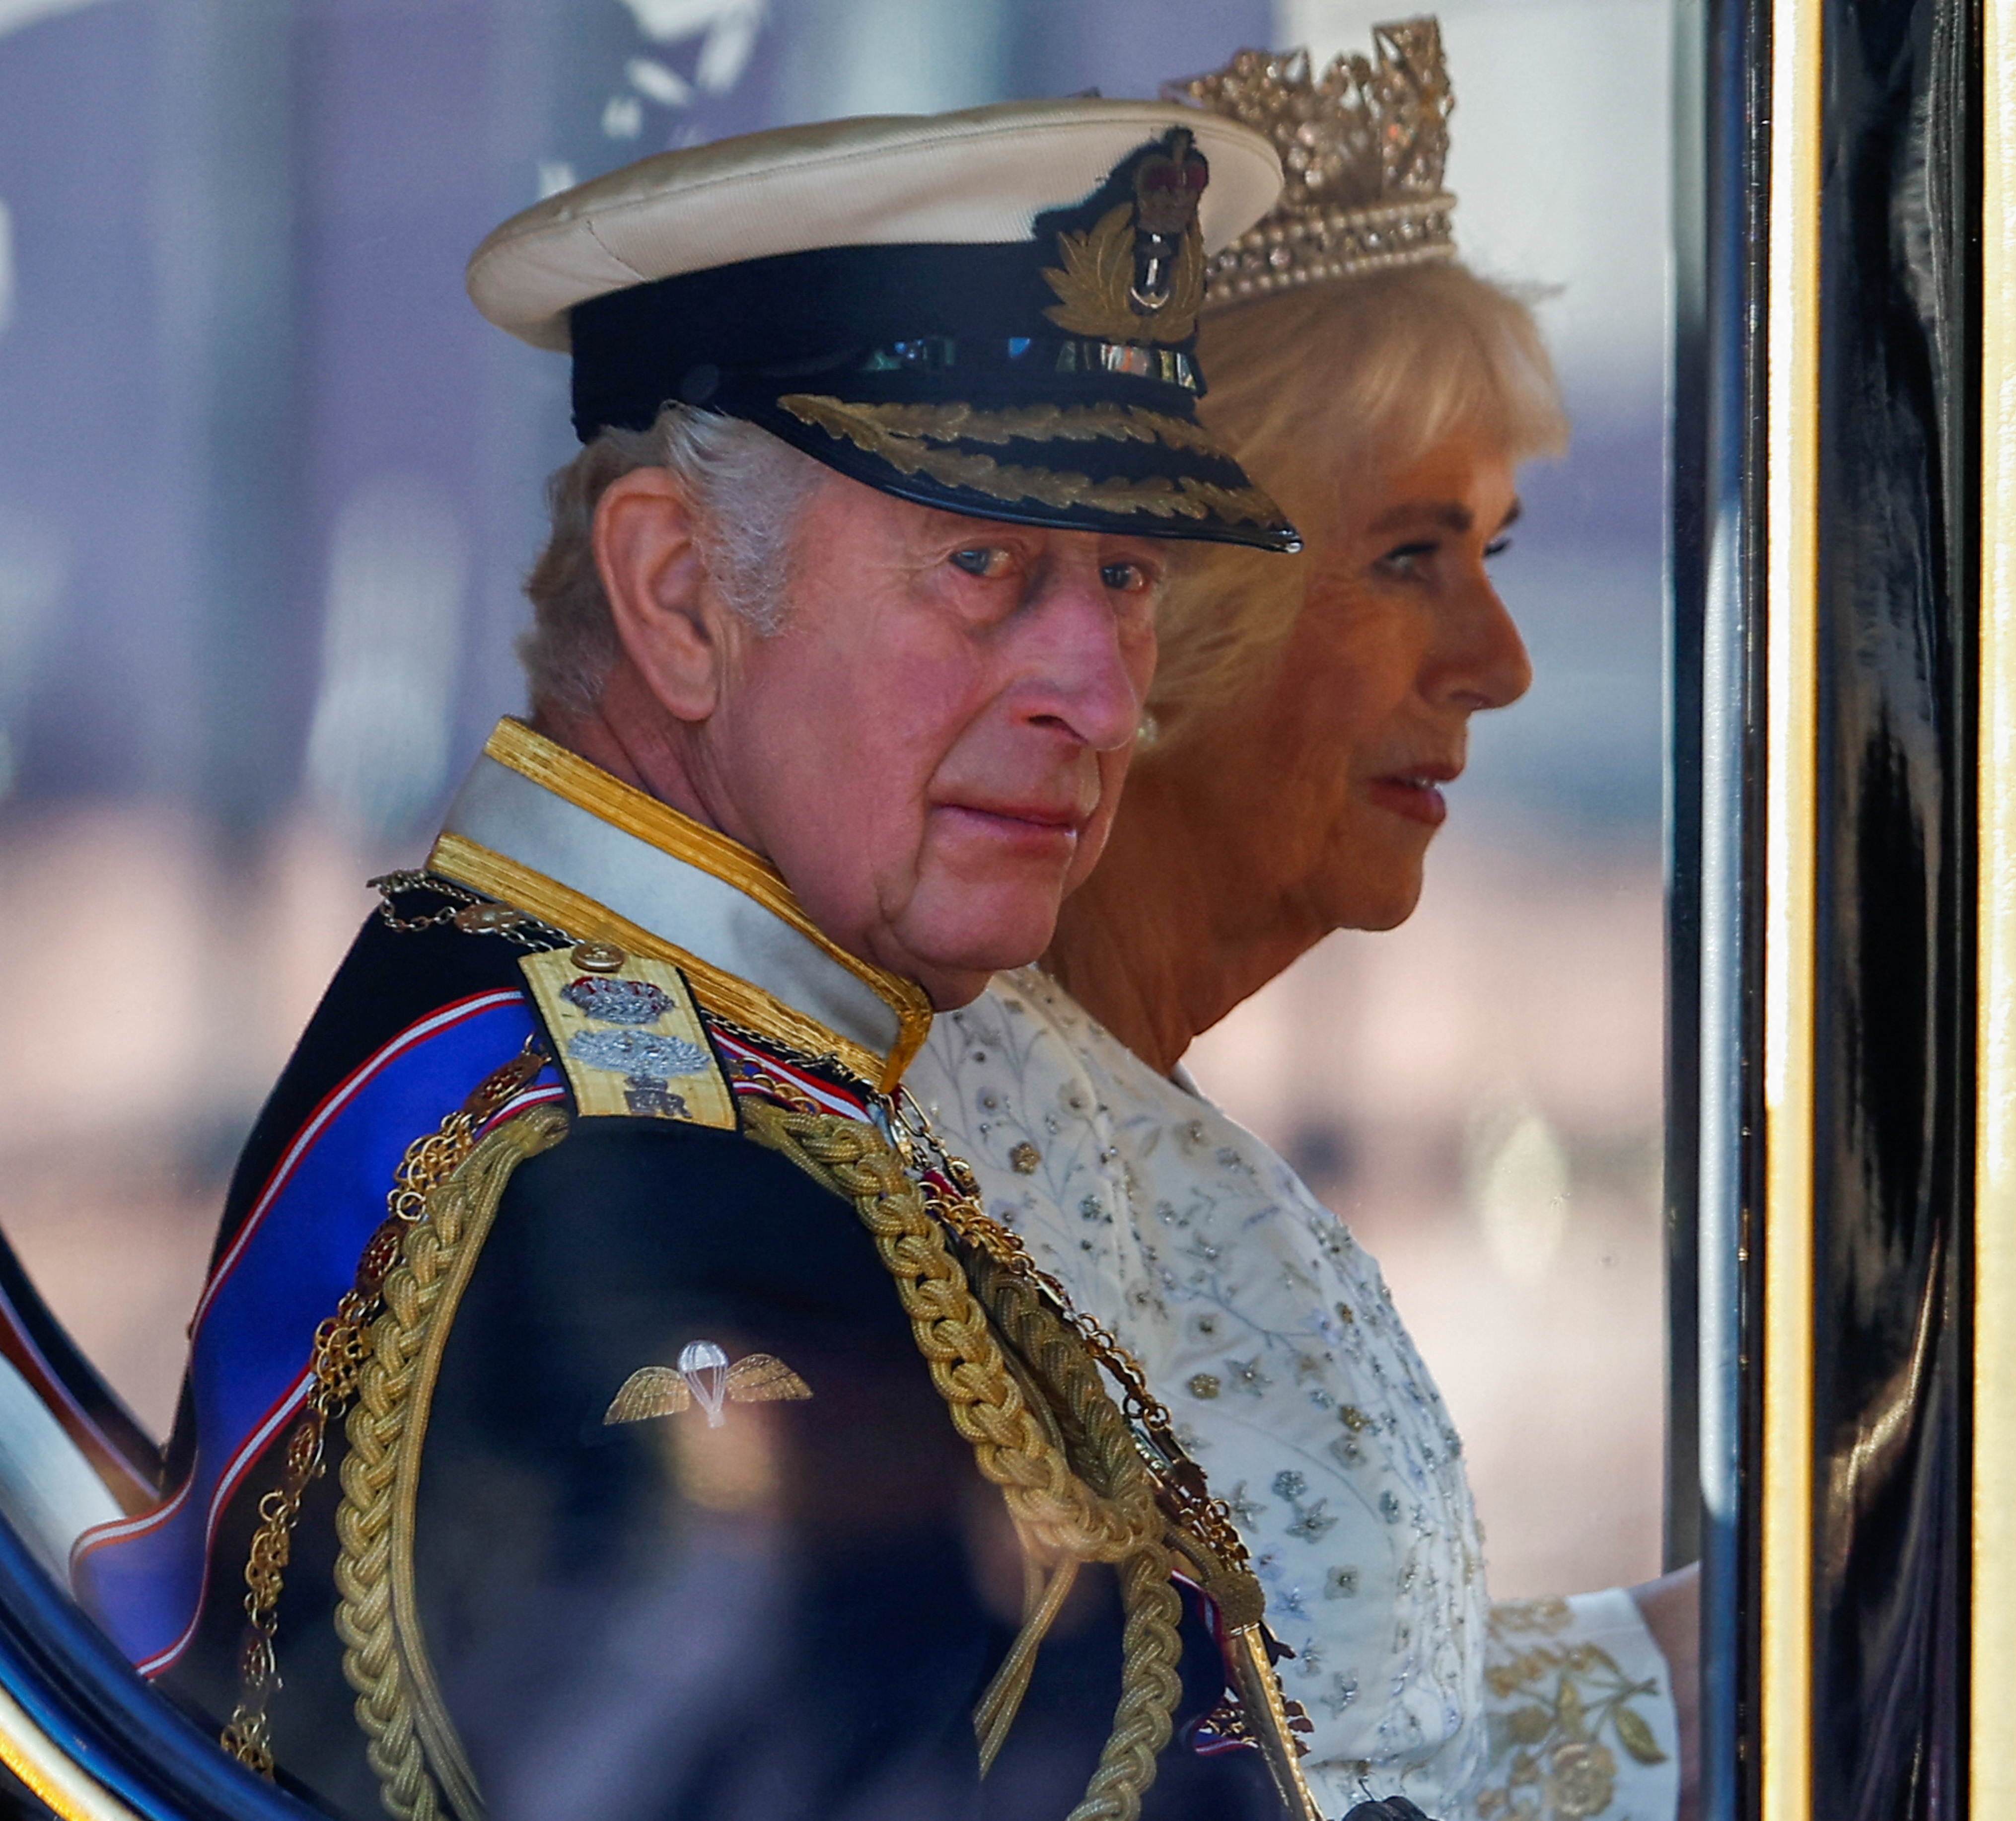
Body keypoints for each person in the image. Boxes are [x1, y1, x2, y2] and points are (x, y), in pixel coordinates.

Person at [68, 104, 1389, 1821]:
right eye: (985, 563)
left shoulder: (643, 1059)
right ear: (680, 595)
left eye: (1125, 575)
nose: (1107, 697)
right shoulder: (607, 1172)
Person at [906, 23, 1698, 1821]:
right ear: (1164, 612)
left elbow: (1335, 1725)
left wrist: (1746, 1648)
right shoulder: (969, 1125)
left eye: (1495, 555)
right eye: (1411, 557)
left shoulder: (1112, 1111)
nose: (1496, 664)